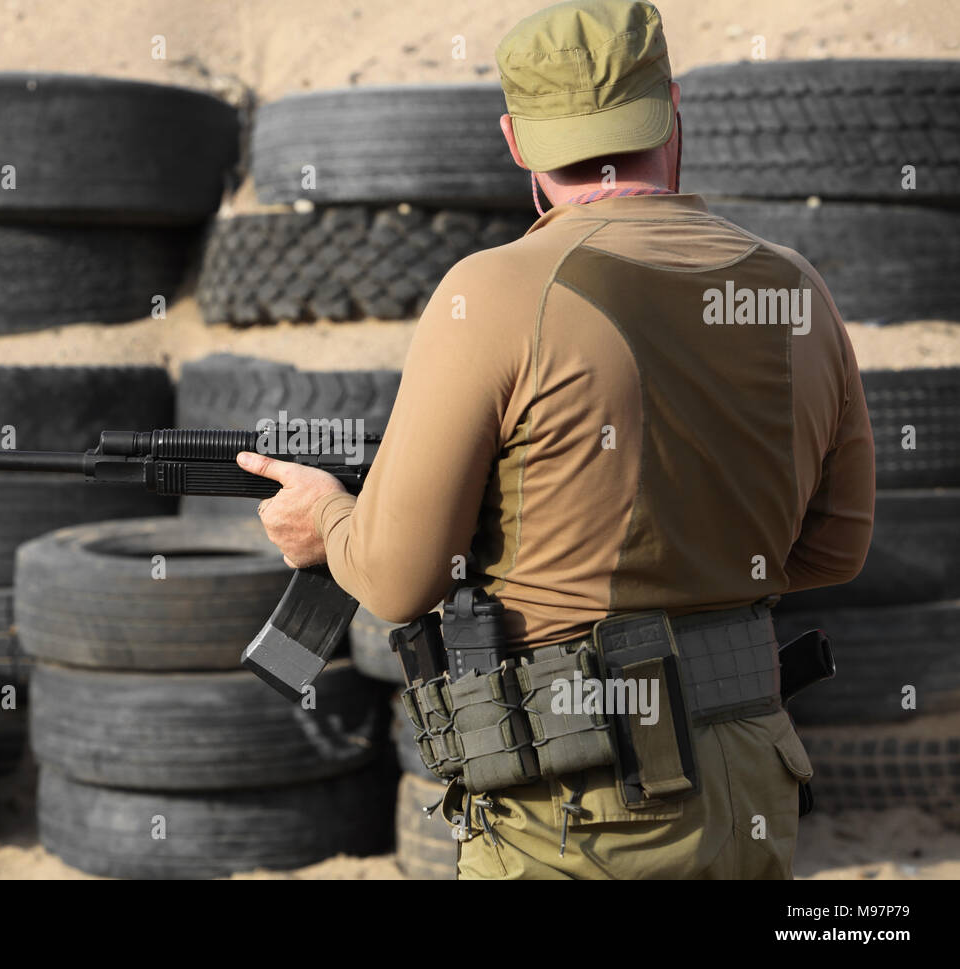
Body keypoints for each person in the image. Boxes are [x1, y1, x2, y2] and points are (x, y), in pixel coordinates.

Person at [238, 0, 875, 879]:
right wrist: (697, 583)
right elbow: (837, 548)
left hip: (582, 795)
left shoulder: (495, 291)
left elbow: (395, 579)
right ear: (671, 110)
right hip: (751, 773)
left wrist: (330, 521)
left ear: (514, 140)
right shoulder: (796, 286)